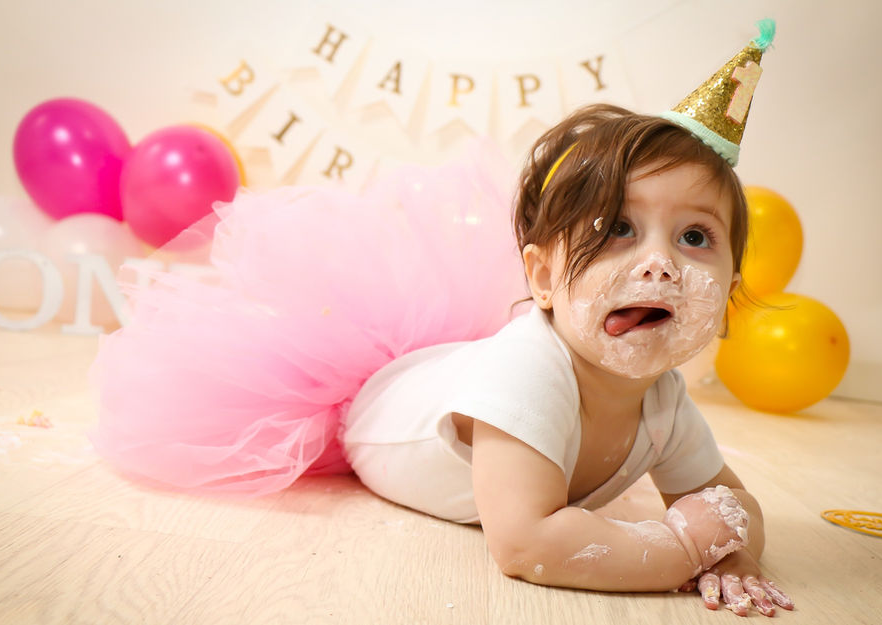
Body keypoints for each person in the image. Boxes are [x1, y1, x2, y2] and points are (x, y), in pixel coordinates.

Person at [93, 20, 791, 618]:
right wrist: (684, 546)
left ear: (728, 288)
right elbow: (525, 544)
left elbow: (728, 501)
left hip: (453, 370)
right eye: (616, 228)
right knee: (460, 377)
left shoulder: (661, 396)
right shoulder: (531, 371)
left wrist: (734, 543)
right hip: (381, 407)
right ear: (544, 277)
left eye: (694, 236)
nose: (661, 264)